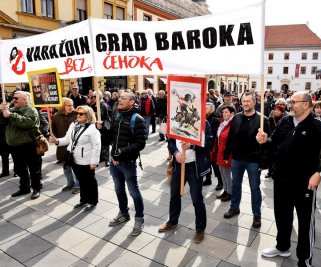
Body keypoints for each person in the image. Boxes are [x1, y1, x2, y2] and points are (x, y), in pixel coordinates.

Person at [257, 91, 321, 267]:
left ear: (306, 105)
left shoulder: (319, 124)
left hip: (305, 183)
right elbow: (274, 143)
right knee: (282, 216)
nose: (290, 104)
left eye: (294, 101)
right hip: (281, 179)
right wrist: (265, 141)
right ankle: (282, 247)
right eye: (290, 101)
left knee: (305, 222)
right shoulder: (285, 121)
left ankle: (305, 259)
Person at [100, 90, 147, 236]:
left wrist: (122, 152)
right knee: (119, 189)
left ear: (131, 102)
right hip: (114, 162)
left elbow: (141, 143)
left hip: (127, 163)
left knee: (133, 192)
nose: (119, 99)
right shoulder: (117, 115)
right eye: (119, 97)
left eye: (123, 98)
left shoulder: (137, 119)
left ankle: (139, 219)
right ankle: (124, 213)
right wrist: (102, 130)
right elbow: (110, 139)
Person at [158, 121, 212, 244]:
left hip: (194, 167)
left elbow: (209, 142)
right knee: (174, 196)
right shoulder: (175, 121)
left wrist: (192, 146)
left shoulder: (203, 122)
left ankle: (200, 229)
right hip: (179, 166)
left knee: (197, 199)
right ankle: (172, 220)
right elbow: (170, 142)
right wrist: (176, 152)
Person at [223, 92, 270, 228]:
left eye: (249, 101)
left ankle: (256, 214)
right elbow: (231, 137)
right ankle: (234, 207)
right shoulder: (236, 118)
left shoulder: (263, 120)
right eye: (244, 101)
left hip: (254, 160)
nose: (246, 103)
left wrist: (264, 162)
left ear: (254, 102)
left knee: (255, 188)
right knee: (235, 184)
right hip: (237, 158)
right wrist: (227, 153)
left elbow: (268, 143)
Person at [50, 105, 101, 212]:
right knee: (81, 181)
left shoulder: (92, 129)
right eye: (77, 113)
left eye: (81, 114)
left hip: (87, 161)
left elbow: (97, 146)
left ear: (88, 115)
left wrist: (94, 162)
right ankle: (84, 200)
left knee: (90, 182)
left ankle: (93, 201)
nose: (78, 115)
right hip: (74, 159)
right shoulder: (73, 125)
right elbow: (67, 139)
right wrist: (56, 141)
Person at [0, 91, 43, 199]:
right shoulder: (12, 110)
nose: (14, 100)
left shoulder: (31, 111)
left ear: (25, 100)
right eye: (13, 97)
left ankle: (36, 188)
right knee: (19, 169)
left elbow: (26, 123)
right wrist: (1, 111)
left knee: (34, 169)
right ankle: (24, 187)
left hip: (29, 145)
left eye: (16, 98)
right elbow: (2, 122)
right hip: (15, 146)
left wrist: (10, 115)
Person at [51, 97, 79, 193]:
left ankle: (78, 185)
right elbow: (52, 129)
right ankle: (70, 183)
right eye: (69, 105)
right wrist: (54, 137)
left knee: (76, 167)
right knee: (66, 166)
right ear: (63, 106)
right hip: (62, 145)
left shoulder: (77, 114)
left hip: (74, 145)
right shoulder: (56, 116)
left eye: (72, 105)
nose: (71, 107)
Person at [213, 105, 235, 201]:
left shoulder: (233, 123)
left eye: (226, 112)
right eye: (223, 112)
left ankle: (230, 193)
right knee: (222, 172)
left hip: (227, 153)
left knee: (226, 173)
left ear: (232, 113)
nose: (224, 114)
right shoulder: (224, 122)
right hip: (221, 150)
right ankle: (226, 190)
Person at [204, 102, 222, 190]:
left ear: (211, 109)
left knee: (215, 165)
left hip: (212, 146)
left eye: (206, 108)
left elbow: (215, 135)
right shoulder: (203, 117)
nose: (204, 109)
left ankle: (220, 182)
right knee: (206, 164)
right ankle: (208, 179)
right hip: (204, 145)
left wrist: (212, 147)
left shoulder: (215, 119)